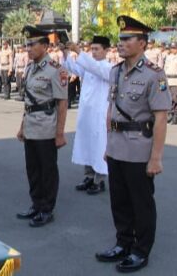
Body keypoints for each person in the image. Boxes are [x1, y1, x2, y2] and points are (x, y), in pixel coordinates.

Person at [96, 15, 171, 273]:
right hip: (117, 146)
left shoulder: (154, 75)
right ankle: (123, 242)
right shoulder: (116, 71)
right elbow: (110, 110)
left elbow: (161, 118)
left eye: (128, 39)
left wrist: (156, 157)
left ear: (143, 43)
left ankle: (141, 250)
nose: (121, 43)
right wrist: (107, 146)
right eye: (120, 39)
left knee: (141, 203)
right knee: (119, 200)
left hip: (140, 148)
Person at [16, 26, 68, 227]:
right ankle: (36, 204)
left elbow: (62, 104)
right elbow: (29, 103)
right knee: (33, 169)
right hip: (31, 125)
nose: (28, 48)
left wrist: (60, 133)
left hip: (47, 127)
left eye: (32, 44)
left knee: (47, 170)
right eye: (27, 44)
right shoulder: (30, 68)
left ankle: (47, 209)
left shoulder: (55, 70)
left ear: (45, 46)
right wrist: (22, 127)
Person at [64, 36, 111, 195]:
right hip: (87, 114)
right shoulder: (89, 65)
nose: (94, 52)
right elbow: (74, 68)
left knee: (99, 146)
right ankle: (89, 176)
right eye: (93, 49)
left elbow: (93, 67)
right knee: (86, 145)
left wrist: (78, 50)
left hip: (100, 115)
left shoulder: (108, 67)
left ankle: (100, 179)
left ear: (106, 50)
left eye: (97, 49)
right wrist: (66, 53)